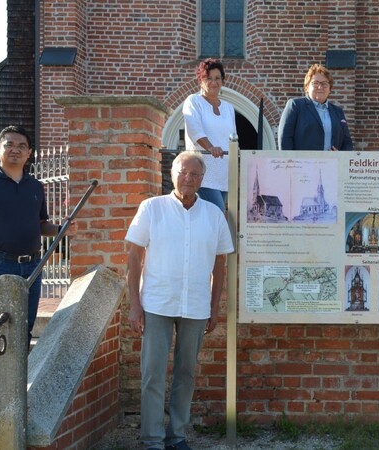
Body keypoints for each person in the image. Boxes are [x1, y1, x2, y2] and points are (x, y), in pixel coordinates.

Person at [126, 151, 234, 450]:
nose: (188, 178)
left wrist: (214, 308)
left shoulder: (213, 215)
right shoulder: (152, 208)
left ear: (202, 179)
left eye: (195, 174)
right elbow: (134, 257)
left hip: (196, 307)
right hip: (157, 304)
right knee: (152, 375)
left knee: (185, 374)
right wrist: (134, 305)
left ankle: (177, 437)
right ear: (171, 174)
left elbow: (220, 264)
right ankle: (152, 441)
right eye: (183, 172)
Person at [0, 125, 77, 407]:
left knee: (23, 326)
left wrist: (60, 228)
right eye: (9, 144)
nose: (15, 149)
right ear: (0, 149)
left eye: (21, 145)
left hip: (32, 268)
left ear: (30, 153)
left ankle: (15, 379)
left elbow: (41, 226)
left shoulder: (35, 187)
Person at [183, 58, 237, 212]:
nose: (214, 82)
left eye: (217, 78)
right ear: (200, 81)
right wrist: (211, 147)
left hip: (224, 174)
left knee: (214, 220)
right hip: (202, 172)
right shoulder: (193, 101)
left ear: (222, 81)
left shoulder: (228, 108)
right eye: (208, 78)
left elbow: (233, 138)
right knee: (217, 215)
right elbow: (195, 130)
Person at [278, 63, 353, 151]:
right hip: (302, 163)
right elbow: (285, 139)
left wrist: (340, 156)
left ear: (330, 89)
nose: (320, 87)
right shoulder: (295, 106)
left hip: (332, 163)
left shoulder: (338, 112)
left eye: (324, 84)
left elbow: (347, 142)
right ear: (307, 87)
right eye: (315, 83)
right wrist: (290, 163)